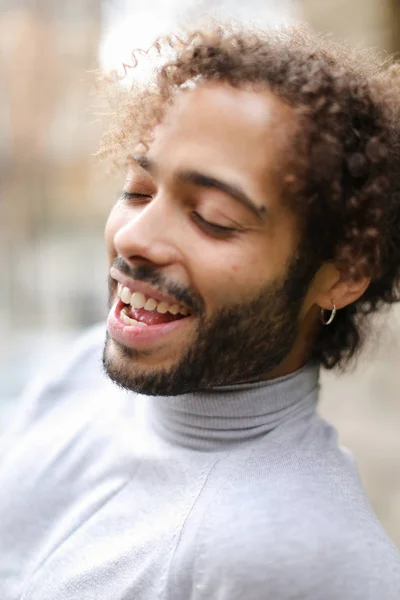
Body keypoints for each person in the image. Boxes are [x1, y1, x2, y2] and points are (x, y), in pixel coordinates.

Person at [1, 22, 400, 600]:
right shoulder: (75, 374)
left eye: (213, 217)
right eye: (137, 189)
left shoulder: (293, 557)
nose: (135, 237)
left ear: (340, 275)